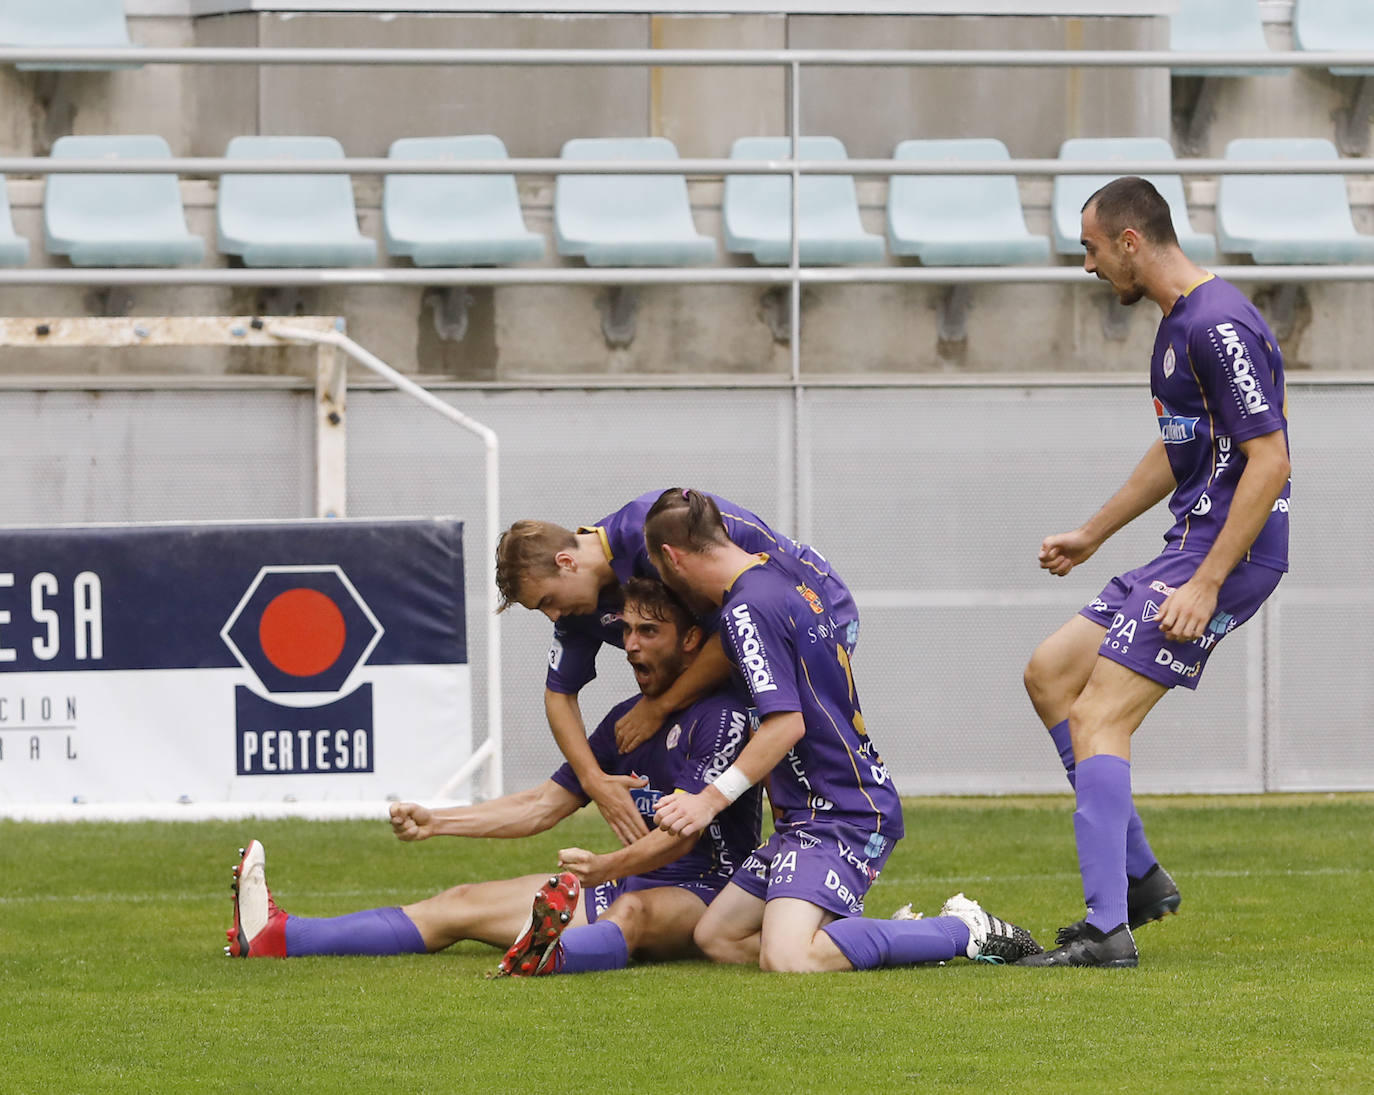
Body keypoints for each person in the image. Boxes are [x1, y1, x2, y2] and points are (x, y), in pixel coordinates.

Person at [1019, 177, 1291, 968]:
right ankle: (1137, 876)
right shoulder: (1177, 326)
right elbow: (1179, 452)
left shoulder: (1218, 324)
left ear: (1130, 242)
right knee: (1049, 675)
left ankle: (1108, 930)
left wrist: (1206, 582)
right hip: (1187, 545)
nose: (1088, 266)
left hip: (1227, 554)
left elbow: (1270, 459)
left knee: (1101, 715)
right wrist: (1093, 533)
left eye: (1092, 249)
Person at [224, 578, 762, 978]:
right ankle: (278, 935)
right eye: (627, 631)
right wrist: (439, 821)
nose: (633, 645)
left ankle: (548, 959)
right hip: (625, 880)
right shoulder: (628, 720)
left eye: (650, 631)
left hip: (711, 891)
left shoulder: (723, 716)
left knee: (634, 912)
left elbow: (683, 834)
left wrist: (603, 869)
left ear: (693, 641)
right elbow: (540, 805)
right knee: (458, 903)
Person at [638, 488, 1042, 972]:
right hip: (804, 816)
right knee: (718, 936)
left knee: (787, 959)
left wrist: (708, 800)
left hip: (842, 812)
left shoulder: (744, 610)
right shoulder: (782, 569)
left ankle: (962, 930)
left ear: (671, 557)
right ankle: (881, 938)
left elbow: (786, 725)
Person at [494, 489, 858, 848]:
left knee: (775, 727)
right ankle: (736, 870)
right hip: (741, 637)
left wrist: (660, 707)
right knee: (717, 724)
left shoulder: (650, 536)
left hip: (814, 606)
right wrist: (594, 781)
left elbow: (734, 630)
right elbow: (559, 695)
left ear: (566, 563)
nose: (553, 615)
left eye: (548, 601)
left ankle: (815, 849)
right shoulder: (579, 602)